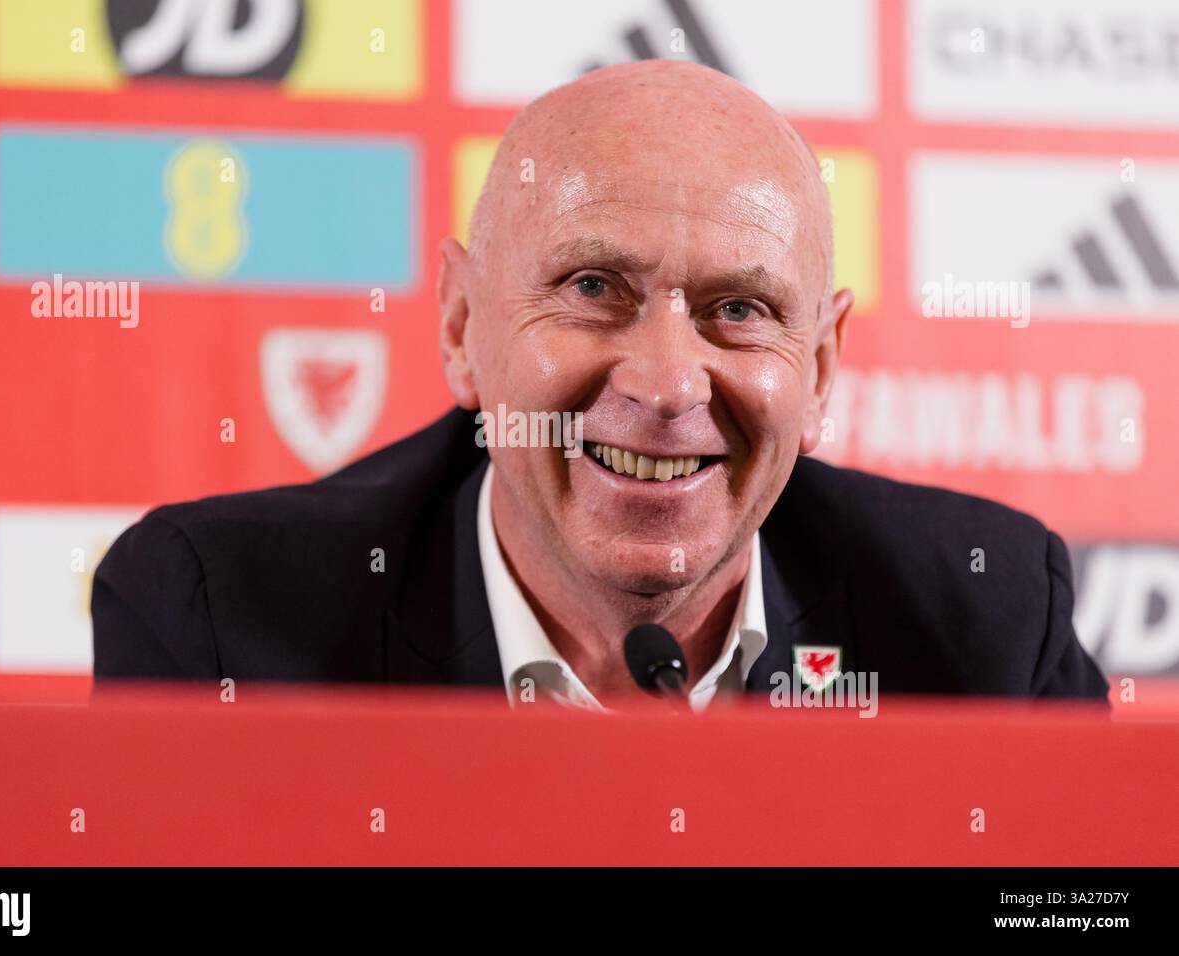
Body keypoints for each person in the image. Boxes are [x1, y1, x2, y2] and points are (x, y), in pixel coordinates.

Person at [92, 60, 1108, 709]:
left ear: (821, 365)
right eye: (592, 288)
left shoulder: (986, 621)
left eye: (739, 310)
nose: (668, 383)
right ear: (460, 326)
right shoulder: (220, 621)